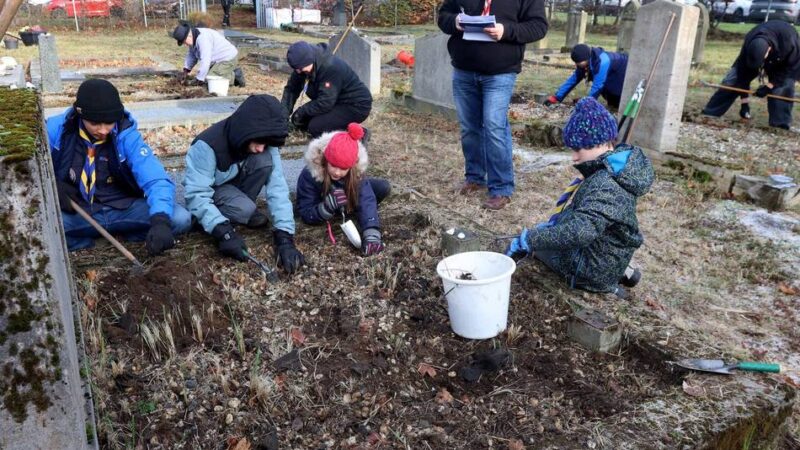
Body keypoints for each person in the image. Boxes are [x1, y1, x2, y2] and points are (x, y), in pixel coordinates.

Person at [505, 97, 653, 299]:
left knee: (538, 248)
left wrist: (531, 239)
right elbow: (589, 218)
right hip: (606, 251)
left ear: (599, 142)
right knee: (550, 238)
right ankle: (620, 270)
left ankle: (603, 282)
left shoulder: (605, 185)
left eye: (577, 149)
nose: (574, 157)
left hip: (587, 268)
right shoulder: (614, 169)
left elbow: (580, 233)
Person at [47, 79, 191, 254]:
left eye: (109, 123)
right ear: (80, 115)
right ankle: (85, 242)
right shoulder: (56, 130)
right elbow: (28, 172)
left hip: (124, 208)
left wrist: (160, 221)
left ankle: (127, 235)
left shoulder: (127, 135)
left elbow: (156, 179)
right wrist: (52, 185)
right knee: (40, 230)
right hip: (80, 212)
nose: (103, 130)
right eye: (95, 123)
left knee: (180, 218)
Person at [438, 0, 548, 210]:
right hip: (464, 70)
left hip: (500, 72)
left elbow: (538, 26)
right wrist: (456, 21)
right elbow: (444, 16)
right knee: (469, 128)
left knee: (494, 127)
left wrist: (505, 30)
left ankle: (501, 188)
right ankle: (475, 177)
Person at [183, 95, 306, 273]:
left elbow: (277, 187)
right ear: (247, 130)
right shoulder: (207, 145)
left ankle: (240, 208)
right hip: (214, 192)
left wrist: (285, 237)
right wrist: (222, 231)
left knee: (264, 160)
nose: (261, 148)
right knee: (246, 210)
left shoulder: (263, 140)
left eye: (266, 143)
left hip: (236, 188)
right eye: (258, 142)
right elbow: (196, 195)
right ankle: (218, 216)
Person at [296, 123, 391, 256]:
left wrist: (372, 234)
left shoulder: (356, 174)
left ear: (351, 167)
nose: (337, 172)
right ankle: (344, 207)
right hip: (325, 202)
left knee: (380, 188)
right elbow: (306, 212)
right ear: (326, 160)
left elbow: (367, 200)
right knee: (369, 192)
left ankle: (349, 207)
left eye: (343, 168)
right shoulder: (309, 175)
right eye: (334, 165)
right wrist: (326, 208)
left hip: (346, 194)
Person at [702, 20, 800, 130]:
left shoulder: (789, 42)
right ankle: (710, 114)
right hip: (756, 55)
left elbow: (790, 69)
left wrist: (770, 86)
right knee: (732, 81)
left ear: (768, 50)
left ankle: (780, 125)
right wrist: (745, 104)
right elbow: (742, 77)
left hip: (785, 62)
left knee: (783, 88)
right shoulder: (750, 41)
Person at [281, 41, 373, 138]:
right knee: (303, 122)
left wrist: (302, 111)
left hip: (355, 105)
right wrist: (282, 118)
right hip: (334, 101)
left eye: (301, 68)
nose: (298, 72)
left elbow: (325, 102)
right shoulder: (302, 66)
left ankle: (358, 133)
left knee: (316, 127)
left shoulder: (331, 68)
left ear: (310, 60)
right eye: (296, 69)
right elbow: (291, 90)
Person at [545, 43, 628, 109]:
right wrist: (557, 97)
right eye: (576, 62)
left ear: (586, 59)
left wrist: (586, 103)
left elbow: (598, 86)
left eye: (578, 62)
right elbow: (573, 79)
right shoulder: (584, 63)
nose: (576, 64)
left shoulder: (602, 61)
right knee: (612, 102)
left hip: (623, 74)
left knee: (617, 100)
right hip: (612, 78)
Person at [172, 22, 245, 88]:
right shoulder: (194, 36)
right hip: (217, 60)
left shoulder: (203, 39)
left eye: (184, 41)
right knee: (207, 77)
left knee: (211, 79)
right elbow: (191, 55)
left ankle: (235, 76)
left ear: (189, 36)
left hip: (228, 58)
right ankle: (226, 72)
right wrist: (186, 71)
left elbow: (205, 60)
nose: (185, 44)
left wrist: (199, 80)